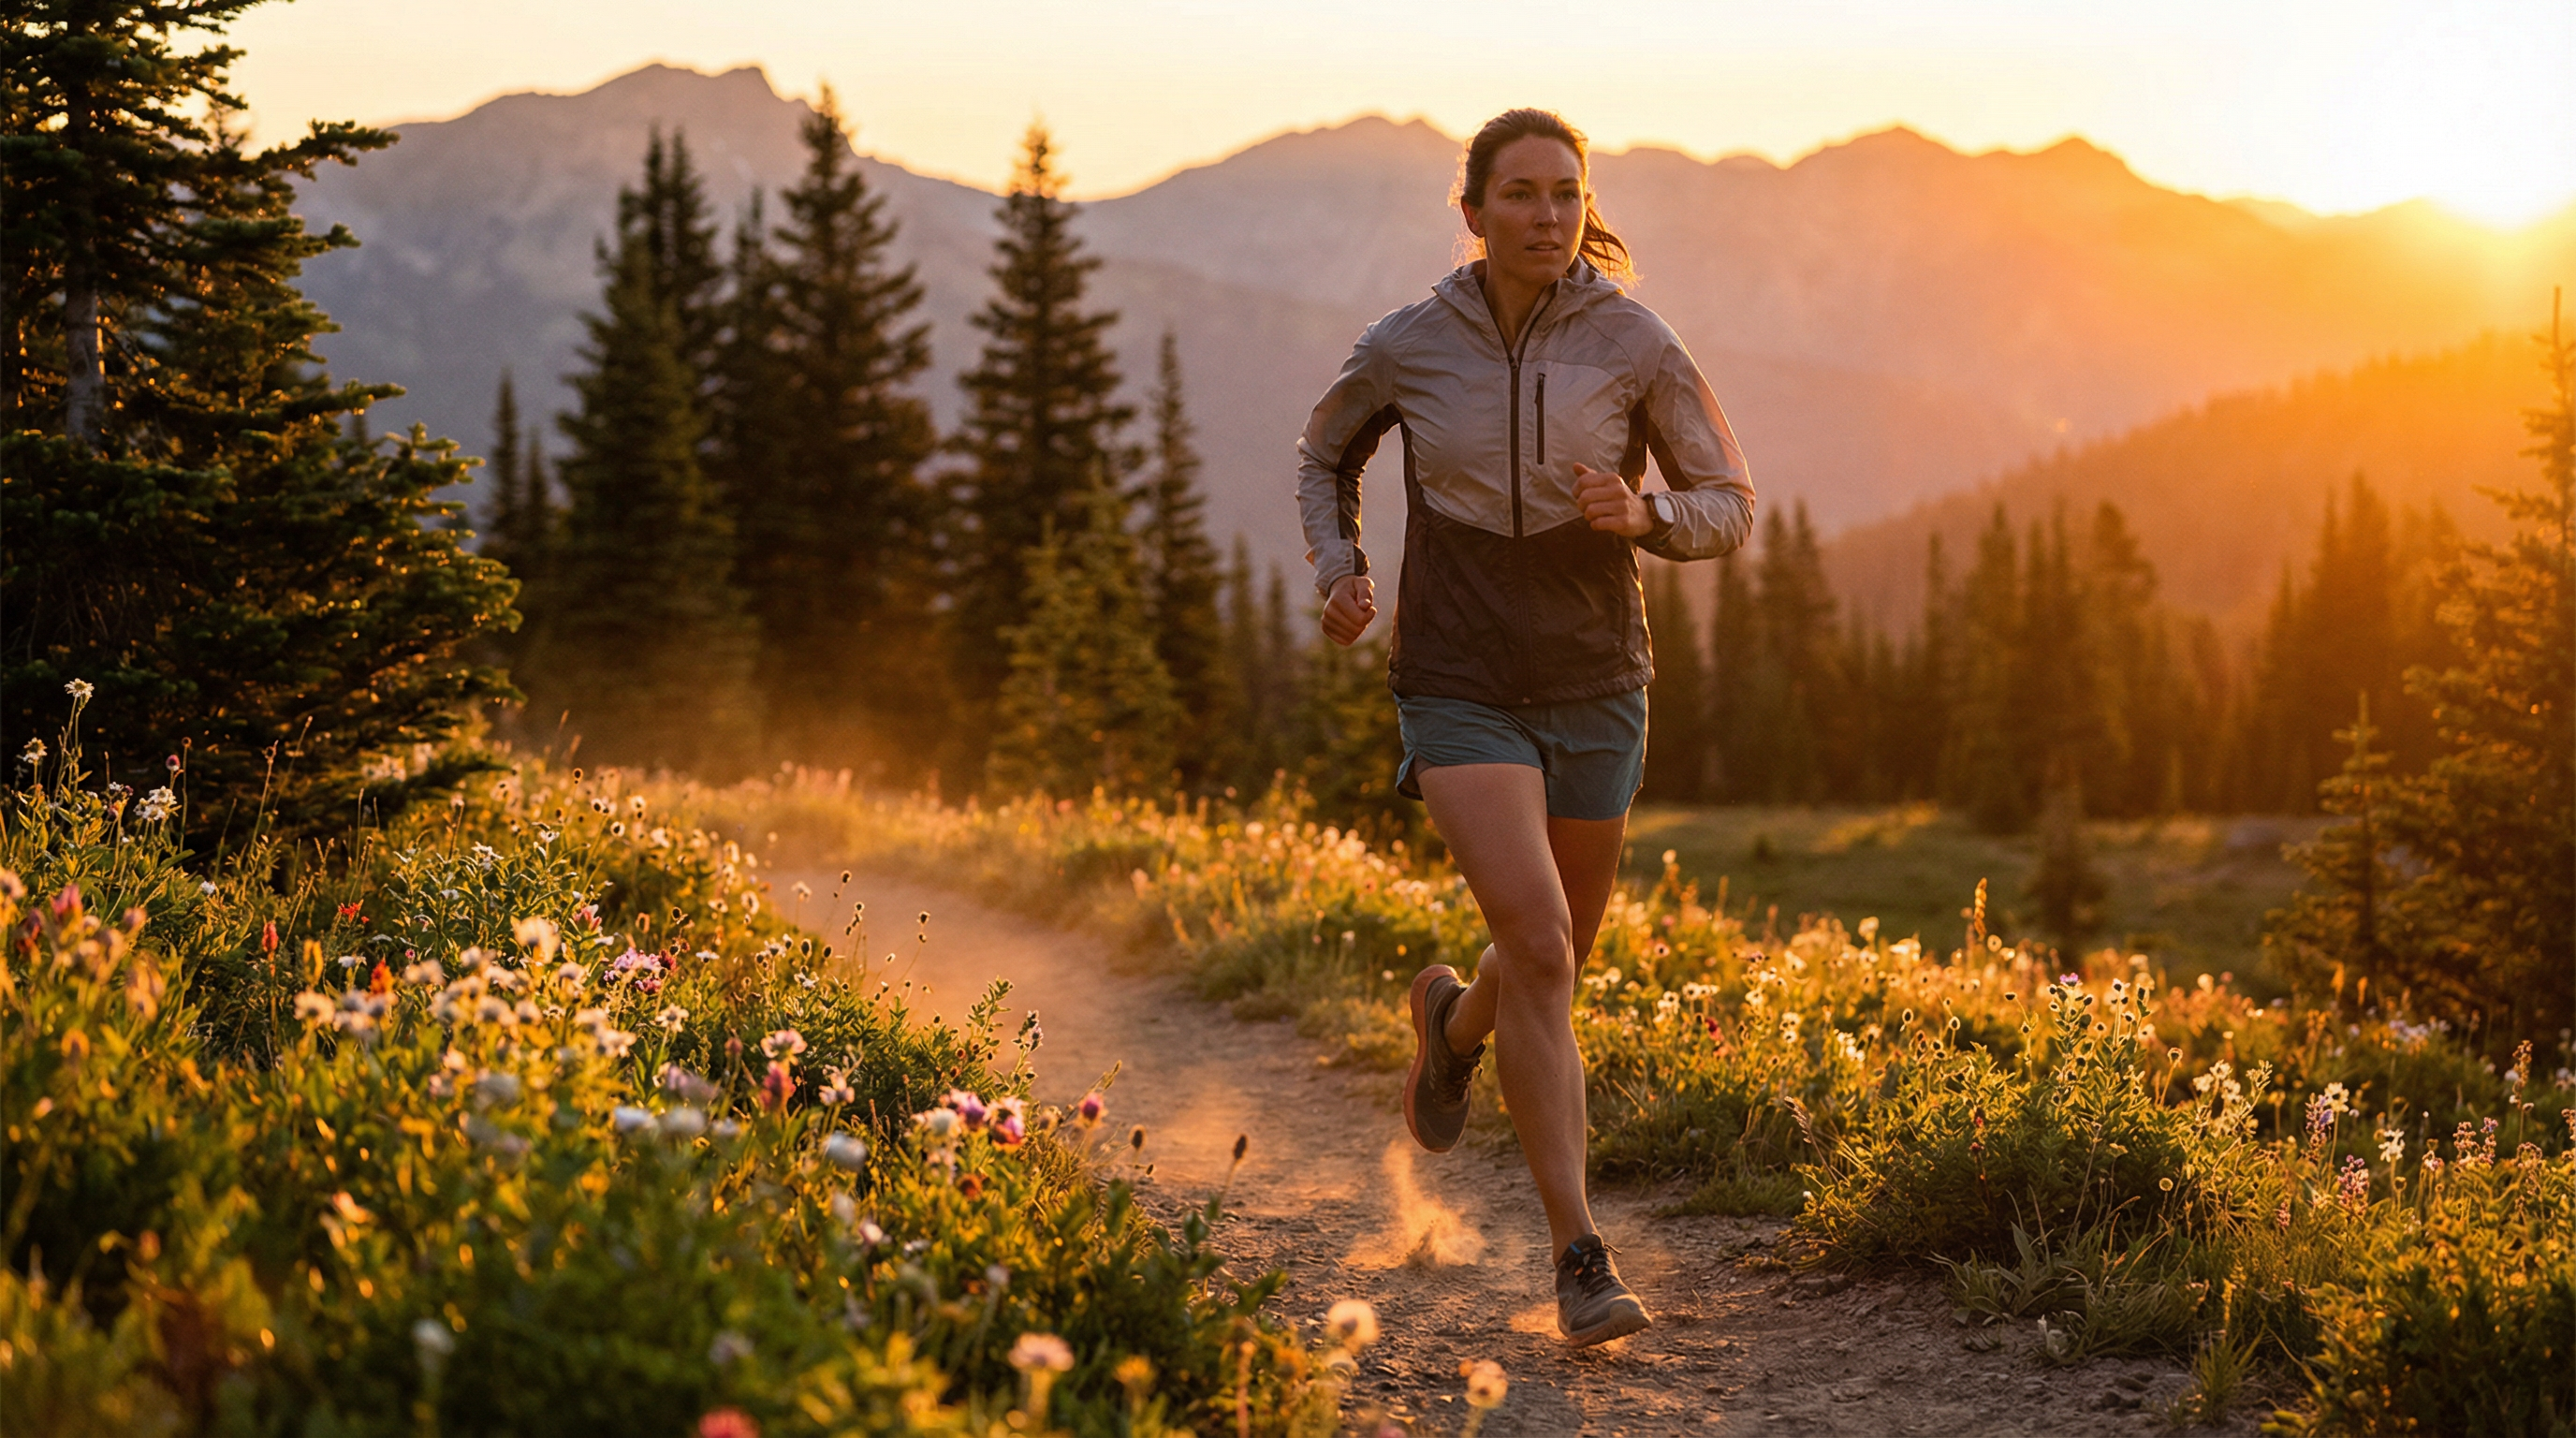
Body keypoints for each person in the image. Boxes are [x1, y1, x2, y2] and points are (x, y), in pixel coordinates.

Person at [1295, 108, 1754, 1347]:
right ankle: (1579, 1257)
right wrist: (1338, 563)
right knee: (1544, 950)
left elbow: (1729, 504)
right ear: (1475, 210)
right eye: (1521, 195)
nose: (1547, 216)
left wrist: (1645, 516)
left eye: (1566, 194)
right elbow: (1322, 450)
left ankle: (1448, 1030)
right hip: (1456, 677)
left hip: (1599, 676)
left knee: (1550, 954)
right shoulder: (1408, 344)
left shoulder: (1635, 342)